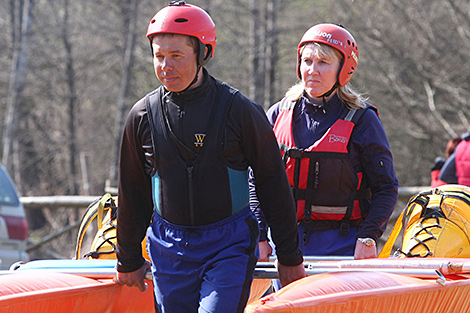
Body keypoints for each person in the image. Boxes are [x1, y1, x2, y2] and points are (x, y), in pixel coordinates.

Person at [114, 2, 305, 313]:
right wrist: (128, 257)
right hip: (168, 247)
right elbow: (132, 192)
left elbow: (272, 183)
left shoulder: (240, 111)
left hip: (227, 245)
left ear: (203, 53)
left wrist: (289, 256)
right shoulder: (141, 116)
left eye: (176, 56)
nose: (165, 65)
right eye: (159, 56)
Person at [250, 23, 399, 266]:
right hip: (286, 245)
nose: (312, 70)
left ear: (344, 69)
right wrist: (259, 235)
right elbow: (256, 181)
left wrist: (369, 236)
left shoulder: (363, 120)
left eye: (323, 63)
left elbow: (386, 187)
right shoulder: (279, 114)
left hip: (344, 245)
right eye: (307, 61)